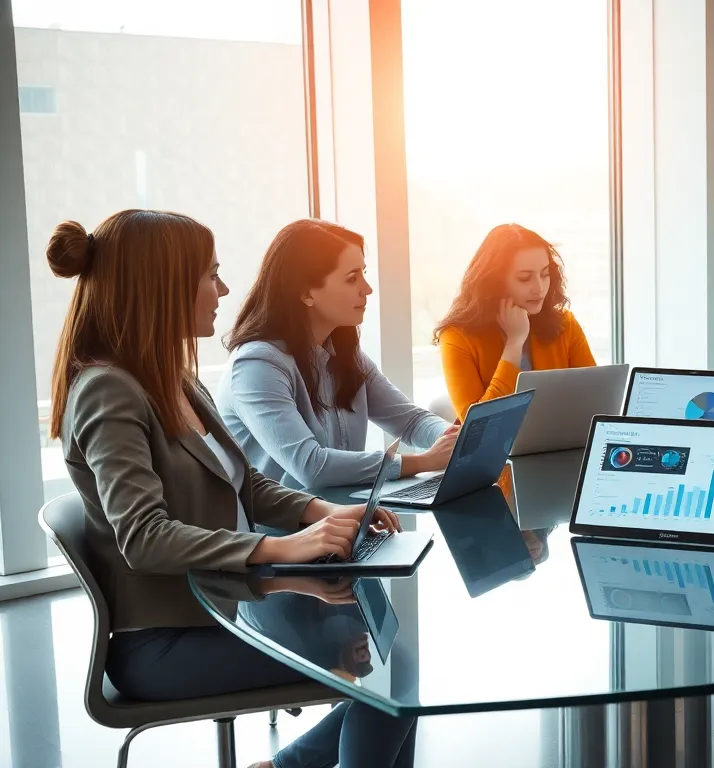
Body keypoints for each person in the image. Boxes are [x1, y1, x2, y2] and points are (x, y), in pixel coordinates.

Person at [48, 210, 419, 767]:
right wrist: (280, 550)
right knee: (393, 673)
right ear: (164, 286)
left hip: (225, 606)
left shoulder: (173, 378)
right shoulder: (109, 391)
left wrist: (316, 511)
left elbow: (246, 484)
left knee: (395, 665)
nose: (223, 290)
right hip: (163, 642)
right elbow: (144, 537)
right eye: (210, 275)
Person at [217, 219, 457, 489]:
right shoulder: (256, 366)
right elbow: (312, 467)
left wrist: (454, 441)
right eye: (352, 278)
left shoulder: (345, 354)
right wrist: (425, 461)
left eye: (364, 274)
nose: (367, 289)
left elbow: (411, 421)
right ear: (306, 292)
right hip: (284, 530)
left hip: (343, 517)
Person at [434, 223, 596, 419]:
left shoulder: (565, 323)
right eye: (524, 278)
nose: (539, 288)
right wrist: (514, 343)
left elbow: (595, 399)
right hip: (494, 450)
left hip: (562, 445)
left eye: (545, 274)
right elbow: (480, 425)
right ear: (494, 282)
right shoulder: (456, 337)